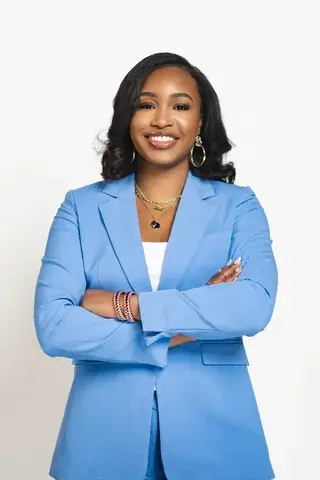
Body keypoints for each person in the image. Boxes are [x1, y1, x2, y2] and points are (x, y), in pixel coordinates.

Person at [34, 52, 278, 480]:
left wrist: (125, 305)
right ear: (128, 116)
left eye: (180, 106)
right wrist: (184, 328)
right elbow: (54, 326)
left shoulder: (239, 207)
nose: (162, 120)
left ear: (201, 123)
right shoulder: (82, 207)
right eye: (147, 104)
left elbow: (252, 305)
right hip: (103, 435)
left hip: (218, 434)